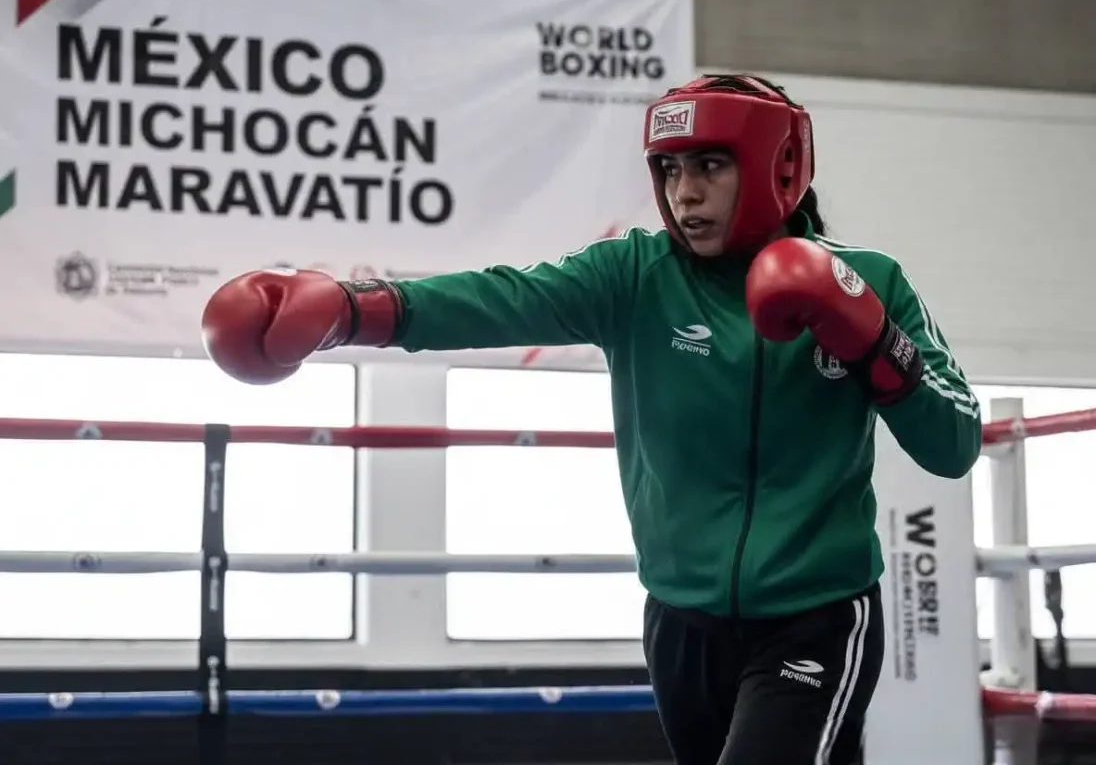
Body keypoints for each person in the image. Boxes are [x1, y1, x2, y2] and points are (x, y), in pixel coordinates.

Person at [200, 74, 982, 764]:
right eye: (670, 170)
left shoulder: (870, 281)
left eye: (710, 166)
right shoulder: (634, 275)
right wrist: (351, 309)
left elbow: (953, 443)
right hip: (681, 622)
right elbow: (496, 297)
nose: (685, 193)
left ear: (779, 167)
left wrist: (874, 338)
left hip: (815, 619)